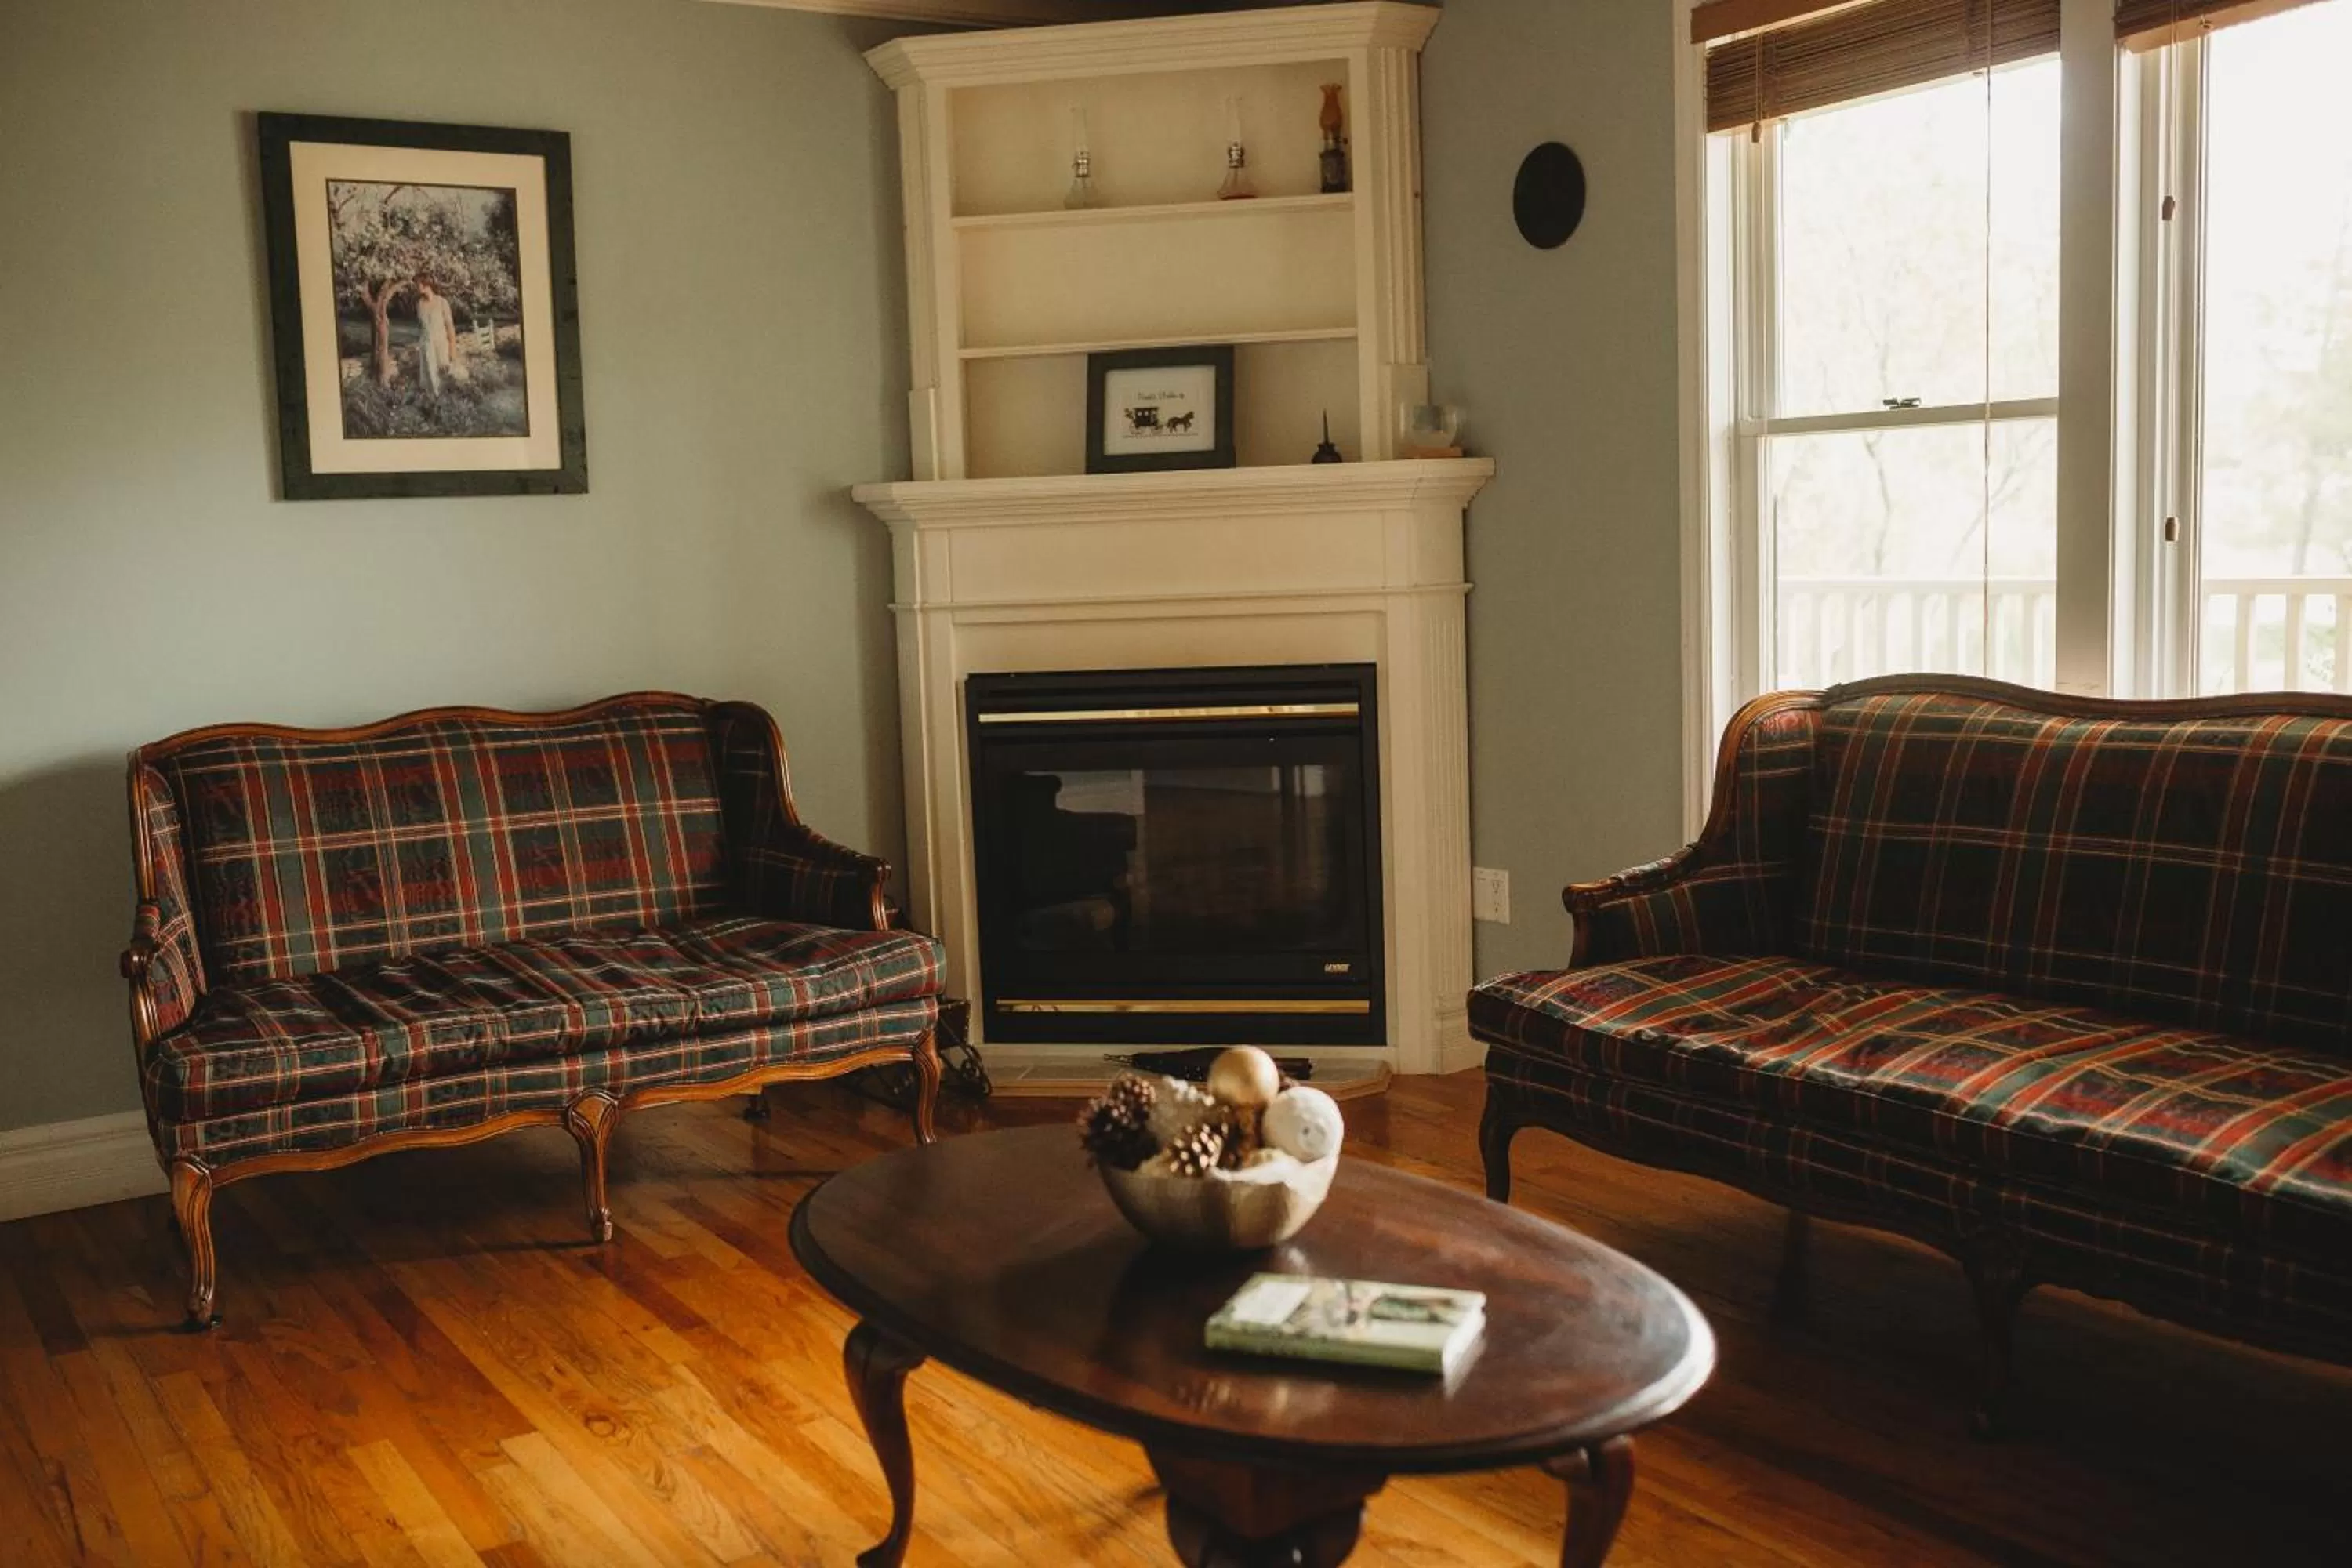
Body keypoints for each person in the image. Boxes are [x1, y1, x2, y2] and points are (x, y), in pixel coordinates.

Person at [412, 276, 461, 397]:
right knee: (430, 378)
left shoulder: (442, 303)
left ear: (426, 285)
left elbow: (450, 327)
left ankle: (447, 402)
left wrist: (452, 350)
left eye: (418, 284)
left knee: (444, 375)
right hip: (426, 345)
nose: (416, 287)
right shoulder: (419, 304)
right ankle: (432, 402)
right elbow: (421, 326)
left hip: (441, 345)